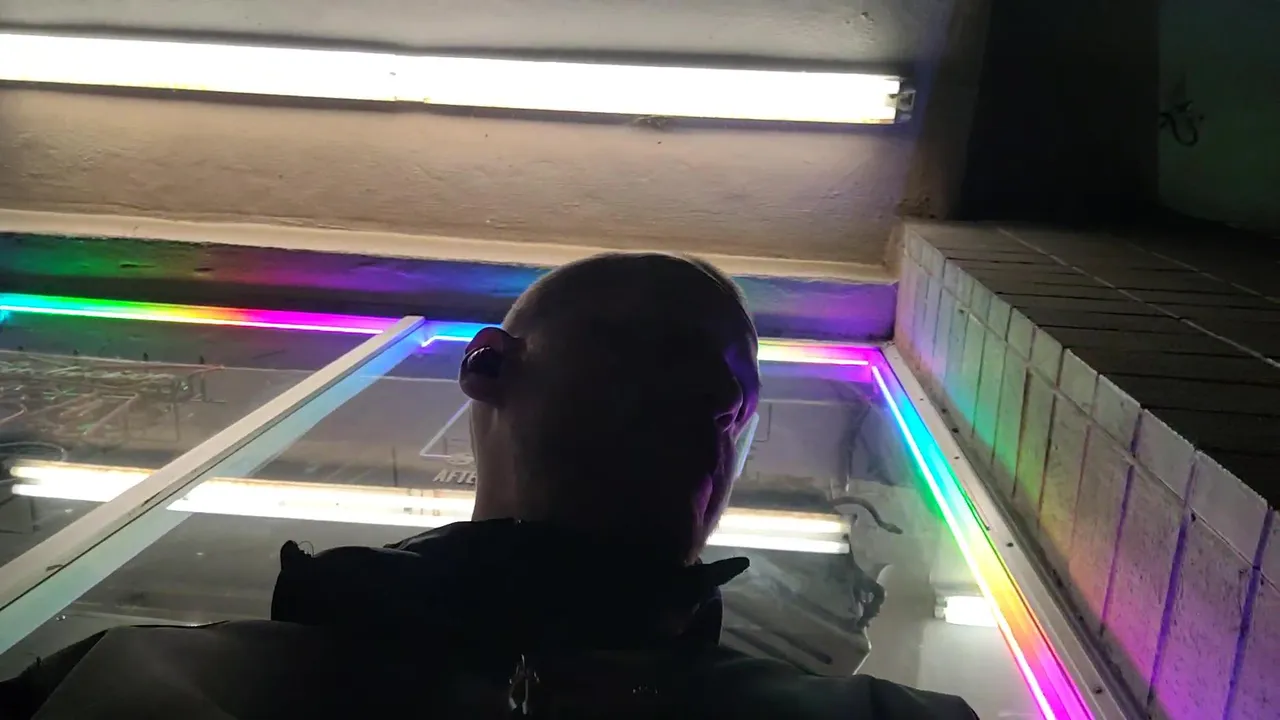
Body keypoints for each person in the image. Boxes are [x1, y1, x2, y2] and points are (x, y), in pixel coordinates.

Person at [0, 253, 978, 719]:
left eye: (744, 391)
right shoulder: (136, 687)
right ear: (486, 366)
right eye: (660, 348)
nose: (724, 399)